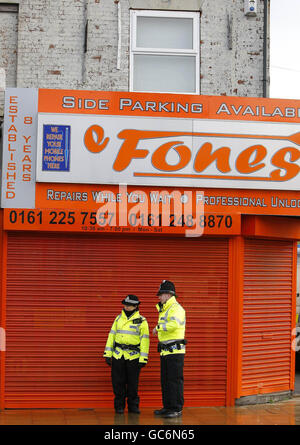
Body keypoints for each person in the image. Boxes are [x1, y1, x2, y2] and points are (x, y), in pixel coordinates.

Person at [104, 294, 149, 414]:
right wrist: (108, 353)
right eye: (125, 304)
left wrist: (143, 358)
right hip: (118, 354)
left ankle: (133, 406)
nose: (126, 306)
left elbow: (145, 340)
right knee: (118, 382)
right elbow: (111, 335)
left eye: (129, 305)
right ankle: (119, 406)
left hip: (133, 356)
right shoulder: (118, 319)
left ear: (135, 306)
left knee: (133, 383)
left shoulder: (142, 321)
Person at [152, 280, 186, 418]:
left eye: (160, 295)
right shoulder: (165, 309)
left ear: (167, 294)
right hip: (166, 351)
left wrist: (158, 328)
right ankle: (168, 407)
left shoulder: (176, 308)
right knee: (166, 381)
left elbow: (174, 325)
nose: (159, 297)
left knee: (174, 381)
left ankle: (176, 409)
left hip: (175, 352)